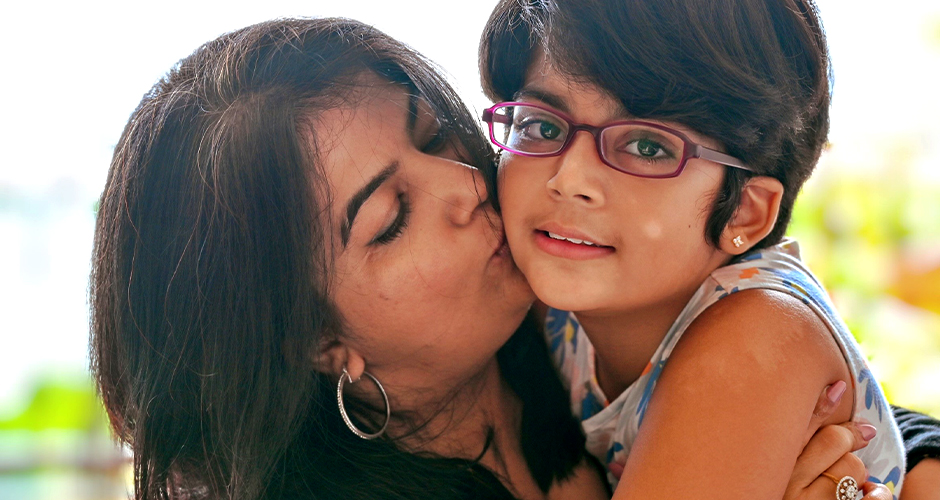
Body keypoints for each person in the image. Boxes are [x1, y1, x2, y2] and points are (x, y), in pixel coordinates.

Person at [89, 15, 918, 500]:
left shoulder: (567, 311)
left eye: (438, 138)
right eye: (391, 218)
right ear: (315, 343)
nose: (465, 185)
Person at [478, 0, 937, 499]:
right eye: (541, 127)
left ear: (744, 212)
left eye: (647, 147)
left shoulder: (757, 334)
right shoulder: (543, 298)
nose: (569, 179)